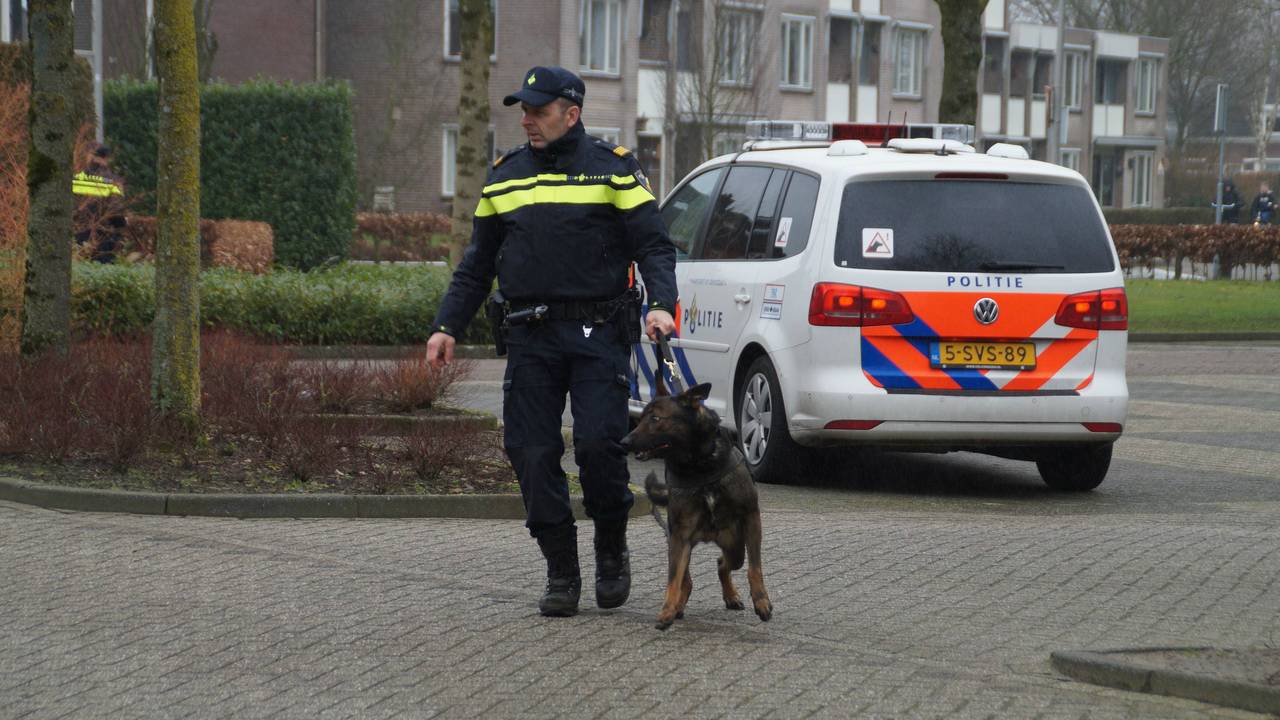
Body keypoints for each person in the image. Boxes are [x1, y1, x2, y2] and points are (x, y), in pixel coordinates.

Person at [426, 66, 678, 617]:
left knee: (598, 446)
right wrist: (447, 326)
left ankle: (610, 546)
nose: (527, 120)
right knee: (531, 452)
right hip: (530, 337)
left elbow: (654, 246)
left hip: (597, 334)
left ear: (572, 114)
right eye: (524, 111)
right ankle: (561, 569)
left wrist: (661, 303)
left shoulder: (614, 169)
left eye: (538, 111)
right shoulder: (505, 176)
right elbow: (477, 264)